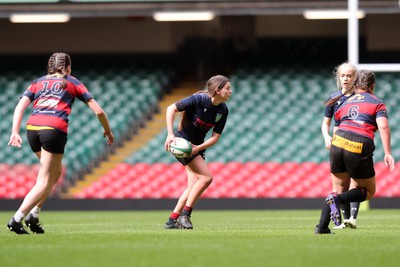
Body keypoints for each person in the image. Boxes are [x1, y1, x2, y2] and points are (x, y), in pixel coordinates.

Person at [7, 52, 114, 234]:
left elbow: (20, 106)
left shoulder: (38, 82)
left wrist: (14, 131)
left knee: (55, 173)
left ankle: (34, 213)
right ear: (69, 67)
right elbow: (99, 111)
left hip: (32, 130)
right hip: (53, 130)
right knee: (45, 179)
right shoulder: (73, 82)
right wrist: (108, 130)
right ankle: (17, 219)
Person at [315, 70, 395, 234]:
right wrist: (387, 152)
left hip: (338, 140)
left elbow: (337, 125)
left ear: (356, 85)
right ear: (372, 86)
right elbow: (384, 126)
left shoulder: (344, 102)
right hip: (359, 143)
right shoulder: (377, 102)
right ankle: (337, 200)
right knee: (368, 191)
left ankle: (322, 227)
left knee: (337, 189)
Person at [163, 75, 231, 229]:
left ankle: (171, 221)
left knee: (193, 186)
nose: (230, 91)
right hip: (182, 143)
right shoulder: (199, 99)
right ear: (218, 90)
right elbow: (170, 109)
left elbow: (215, 137)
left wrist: (198, 148)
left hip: (196, 147)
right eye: (227, 88)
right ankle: (185, 216)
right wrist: (170, 134)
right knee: (206, 178)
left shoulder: (223, 110)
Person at [321, 62, 360, 229]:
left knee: (356, 181)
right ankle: (345, 220)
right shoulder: (334, 98)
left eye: (349, 75)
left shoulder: (361, 97)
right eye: (343, 75)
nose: (346, 78)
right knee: (341, 184)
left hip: (356, 142)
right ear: (339, 77)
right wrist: (326, 137)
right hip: (338, 143)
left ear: (355, 78)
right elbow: (325, 124)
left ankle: (353, 218)